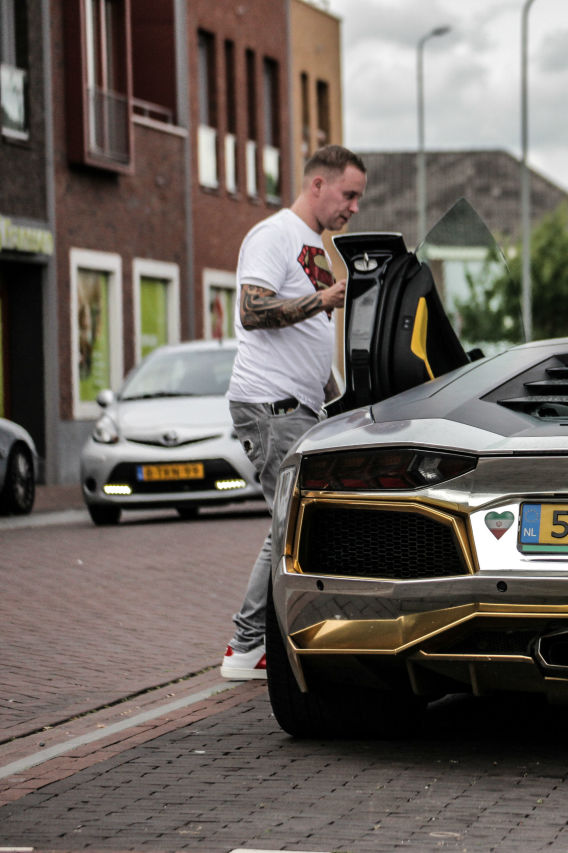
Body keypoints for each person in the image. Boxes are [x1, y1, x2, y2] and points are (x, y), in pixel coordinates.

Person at [219, 145, 367, 679]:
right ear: (318, 185)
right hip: (269, 406)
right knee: (286, 528)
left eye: (358, 198)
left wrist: (340, 404)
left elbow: (308, 339)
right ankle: (244, 647)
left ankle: (266, 639)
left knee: (293, 525)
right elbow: (252, 309)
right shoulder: (274, 234)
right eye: (348, 195)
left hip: (299, 408)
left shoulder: (317, 247)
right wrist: (326, 300)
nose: (353, 207)